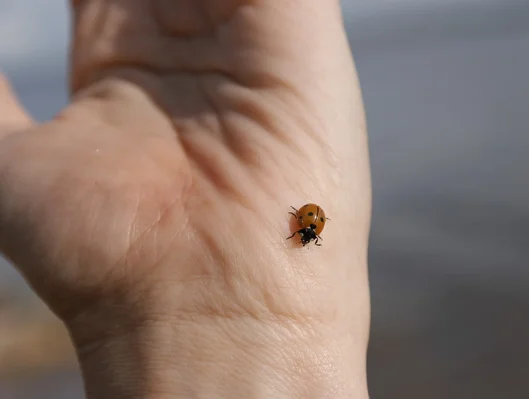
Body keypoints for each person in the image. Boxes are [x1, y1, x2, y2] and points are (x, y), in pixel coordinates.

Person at [0, 1, 371, 398]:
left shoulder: (307, 221)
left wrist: (253, 325)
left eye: (305, 233)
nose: (304, 233)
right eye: (305, 232)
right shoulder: (309, 221)